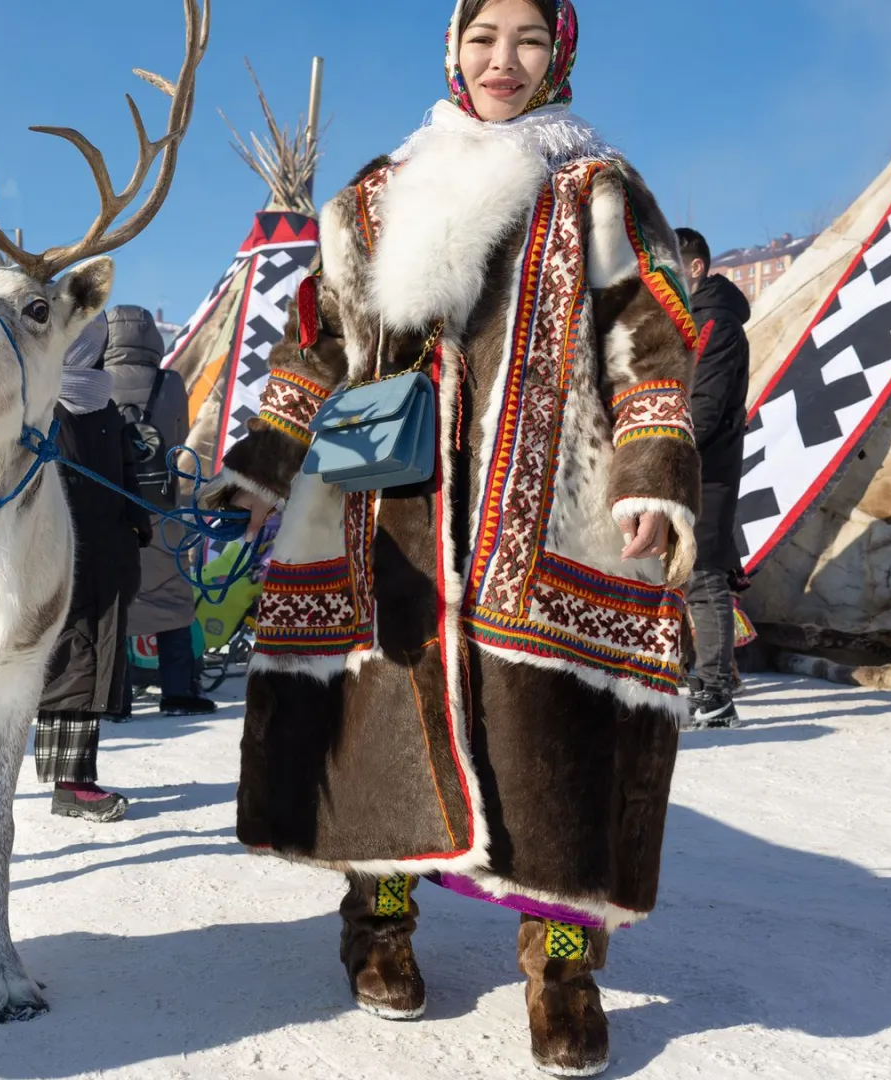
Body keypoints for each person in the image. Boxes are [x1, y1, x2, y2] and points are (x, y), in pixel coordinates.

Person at [211, 3, 697, 1073]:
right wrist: (265, 459)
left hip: (548, 518)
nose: (503, 62)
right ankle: (377, 925)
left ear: (559, 54)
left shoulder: (592, 189)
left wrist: (653, 471)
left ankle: (561, 973)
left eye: (528, 39)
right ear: (453, 50)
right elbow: (322, 339)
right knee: (383, 728)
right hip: (388, 515)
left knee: (557, 755)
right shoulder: (375, 199)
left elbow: (650, 334)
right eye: (484, 38)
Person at [32, 319, 150, 821]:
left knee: (82, 662)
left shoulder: (104, 404)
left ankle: (73, 783)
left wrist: (138, 524)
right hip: (49, 558)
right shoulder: (36, 403)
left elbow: (125, 475)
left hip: (104, 557)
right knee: (12, 659)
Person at [103, 305, 215, 716]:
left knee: (114, 603)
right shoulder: (171, 384)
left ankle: (117, 700)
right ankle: (178, 692)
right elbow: (181, 437)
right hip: (163, 503)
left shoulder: (97, 384)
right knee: (172, 597)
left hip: (112, 505)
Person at [677, 227, 751, 730]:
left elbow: (704, 402)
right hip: (689, 463)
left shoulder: (716, 325)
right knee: (690, 577)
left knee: (705, 578)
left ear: (696, 267)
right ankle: (702, 684)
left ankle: (717, 692)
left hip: (708, 466)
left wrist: (670, 449)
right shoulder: (691, 319)